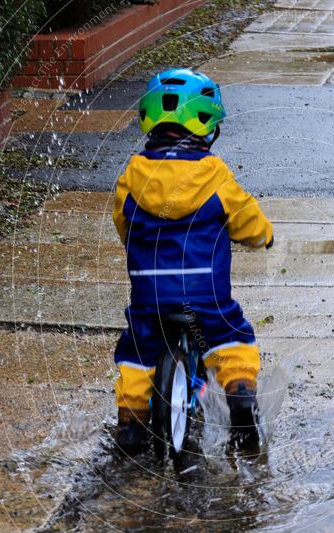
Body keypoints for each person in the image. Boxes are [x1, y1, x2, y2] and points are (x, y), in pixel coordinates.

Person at [112, 68, 274, 454]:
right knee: (230, 337)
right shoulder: (214, 176)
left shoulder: (132, 175)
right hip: (205, 294)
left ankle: (130, 424)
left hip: (149, 292)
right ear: (207, 124)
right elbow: (247, 219)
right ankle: (238, 394)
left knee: (137, 350)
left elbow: (123, 222)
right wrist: (263, 236)